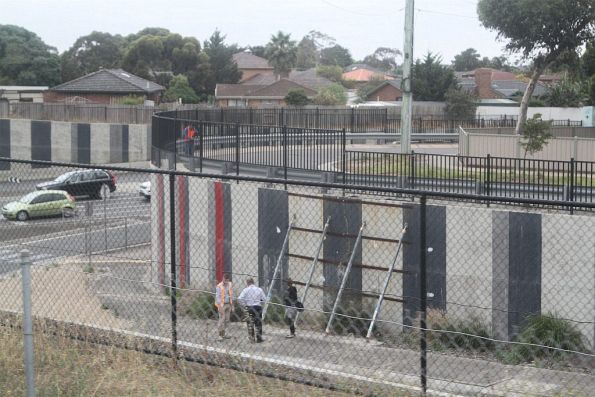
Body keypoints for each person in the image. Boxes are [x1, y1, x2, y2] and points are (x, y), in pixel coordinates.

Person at [237, 277, 266, 343]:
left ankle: (252, 338)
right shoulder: (259, 289)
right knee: (258, 323)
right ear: (253, 282)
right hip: (258, 308)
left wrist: (244, 305)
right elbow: (264, 299)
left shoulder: (245, 290)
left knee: (250, 323)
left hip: (249, 307)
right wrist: (260, 303)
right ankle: (259, 338)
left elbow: (239, 299)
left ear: (247, 283)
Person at [215, 273, 233, 341]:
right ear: (223, 279)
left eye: (227, 281)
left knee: (227, 320)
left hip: (228, 304)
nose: (226, 282)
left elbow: (231, 294)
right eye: (225, 280)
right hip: (222, 305)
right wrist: (220, 307)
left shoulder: (230, 284)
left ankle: (225, 334)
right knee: (222, 320)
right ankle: (220, 335)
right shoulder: (219, 286)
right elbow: (217, 298)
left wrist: (232, 305)